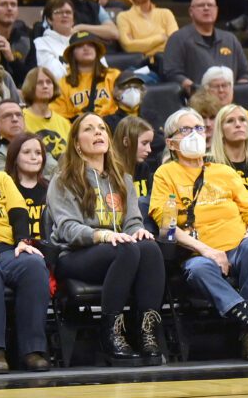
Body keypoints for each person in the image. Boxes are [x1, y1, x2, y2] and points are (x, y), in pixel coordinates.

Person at [149, 108, 248, 360]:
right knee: (199, 269)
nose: (195, 134)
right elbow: (166, 226)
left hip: (238, 248)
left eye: (199, 128)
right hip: (199, 253)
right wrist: (207, 250)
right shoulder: (165, 174)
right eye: (186, 129)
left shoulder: (224, 172)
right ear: (171, 142)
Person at [47, 113, 164, 364]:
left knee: (149, 247)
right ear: (77, 143)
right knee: (128, 250)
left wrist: (138, 232)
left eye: (102, 128)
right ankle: (110, 332)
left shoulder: (123, 179)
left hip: (117, 251)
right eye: (89, 129)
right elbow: (68, 228)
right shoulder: (63, 179)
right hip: (75, 255)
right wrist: (102, 235)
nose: (98, 132)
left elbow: (132, 221)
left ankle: (146, 331)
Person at [0, 121, 50, 374]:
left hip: (5, 248)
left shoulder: (0, 178)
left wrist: (22, 242)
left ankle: (32, 350)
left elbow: (18, 214)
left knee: (34, 264)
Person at [163, 0, 248, 96]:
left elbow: (245, 73)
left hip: (230, 102)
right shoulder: (178, 38)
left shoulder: (230, 39)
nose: (206, 8)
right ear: (191, 11)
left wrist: (233, 92)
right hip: (195, 101)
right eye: (201, 5)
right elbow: (172, 72)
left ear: (217, 10)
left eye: (210, 5)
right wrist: (197, 92)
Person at [52, 31, 120, 120]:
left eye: (90, 45)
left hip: (112, 126)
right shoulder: (63, 84)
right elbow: (60, 117)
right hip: (80, 129)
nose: (86, 48)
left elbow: (125, 108)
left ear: (97, 50)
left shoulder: (113, 75)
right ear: (72, 53)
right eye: (80, 46)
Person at [114, 0, 179, 61]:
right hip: (144, 65)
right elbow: (128, 46)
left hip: (170, 61)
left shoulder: (166, 13)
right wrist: (161, 37)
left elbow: (175, 42)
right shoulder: (123, 16)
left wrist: (141, 46)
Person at [4, 131, 49, 241]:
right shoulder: (4, 187)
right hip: (16, 250)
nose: (33, 157)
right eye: (26, 152)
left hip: (47, 248)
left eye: (38, 153)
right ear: (14, 158)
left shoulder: (51, 188)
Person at [20, 66, 72, 160]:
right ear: (30, 86)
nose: (45, 86)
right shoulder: (20, 118)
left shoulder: (64, 122)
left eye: (49, 82)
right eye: (40, 83)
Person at [0, 0, 36, 86]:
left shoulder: (26, 40)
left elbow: (32, 78)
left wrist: (12, 59)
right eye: (3, 4)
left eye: (13, 5)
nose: (9, 8)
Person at [111, 116, 156, 208]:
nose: (149, 149)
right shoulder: (108, 169)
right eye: (144, 143)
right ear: (126, 142)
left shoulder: (143, 168)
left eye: (150, 143)